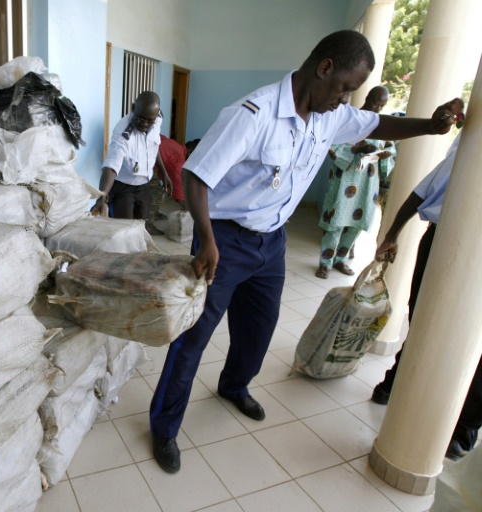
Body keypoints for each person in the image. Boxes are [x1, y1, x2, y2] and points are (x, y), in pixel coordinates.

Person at [148, 29, 464, 474]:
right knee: (194, 334)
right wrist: (208, 238)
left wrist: (430, 127)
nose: (345, 99)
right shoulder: (252, 114)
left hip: (272, 242)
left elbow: (379, 125)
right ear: (325, 67)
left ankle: (234, 386)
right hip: (225, 239)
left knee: (259, 329)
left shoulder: (329, 115)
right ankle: (163, 427)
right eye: (344, 88)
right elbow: (197, 177)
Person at [371, 132, 479, 461]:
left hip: (451, 245)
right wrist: (390, 234)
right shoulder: (471, 149)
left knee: (435, 327)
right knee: (424, 321)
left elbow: (421, 191)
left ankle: (461, 427)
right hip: (445, 244)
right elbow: (424, 190)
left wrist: (392, 233)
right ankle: (397, 384)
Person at [315, 85, 396, 279]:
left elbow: (390, 152)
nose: (377, 108)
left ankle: (340, 260)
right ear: (367, 97)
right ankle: (325, 263)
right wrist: (357, 150)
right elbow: (332, 145)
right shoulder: (349, 120)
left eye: (381, 106)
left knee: (355, 225)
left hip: (367, 185)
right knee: (335, 223)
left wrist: (384, 155)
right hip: (344, 182)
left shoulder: (380, 125)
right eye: (375, 102)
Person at [91, 92, 172, 222]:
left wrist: (164, 172)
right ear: (133, 108)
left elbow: (153, 146)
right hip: (123, 187)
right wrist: (102, 196)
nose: (145, 124)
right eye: (140, 118)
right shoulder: (123, 135)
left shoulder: (157, 119)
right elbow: (111, 167)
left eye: (149, 120)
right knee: (123, 229)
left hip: (144, 185)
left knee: (141, 226)